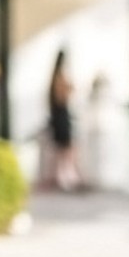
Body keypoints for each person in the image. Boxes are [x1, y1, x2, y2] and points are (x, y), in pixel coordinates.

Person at [47, 49, 81, 192]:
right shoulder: (60, 78)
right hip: (61, 115)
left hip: (58, 115)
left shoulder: (54, 77)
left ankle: (64, 178)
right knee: (66, 150)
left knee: (62, 151)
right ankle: (67, 179)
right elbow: (66, 93)